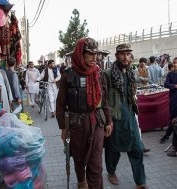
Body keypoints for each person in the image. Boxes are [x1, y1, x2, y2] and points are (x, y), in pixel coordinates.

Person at [56, 37, 113, 189]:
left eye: (96, 54)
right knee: (79, 159)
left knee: (96, 164)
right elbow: (60, 105)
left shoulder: (99, 75)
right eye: (90, 54)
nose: (95, 57)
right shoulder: (68, 75)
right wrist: (63, 128)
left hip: (97, 122)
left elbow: (105, 101)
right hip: (77, 125)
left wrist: (109, 121)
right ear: (81, 54)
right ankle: (81, 181)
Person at [104, 43, 148, 189]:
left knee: (137, 148)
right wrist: (107, 120)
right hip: (114, 118)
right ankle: (111, 172)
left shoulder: (130, 72)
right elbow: (102, 99)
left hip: (130, 115)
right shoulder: (108, 74)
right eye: (122, 54)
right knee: (113, 149)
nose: (125, 56)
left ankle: (140, 182)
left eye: (128, 54)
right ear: (116, 56)